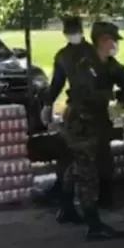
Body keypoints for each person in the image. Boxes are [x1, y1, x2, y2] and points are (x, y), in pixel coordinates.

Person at [57, 22, 124, 240]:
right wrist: (114, 95)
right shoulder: (86, 63)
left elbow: (123, 75)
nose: (115, 45)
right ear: (102, 40)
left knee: (78, 166)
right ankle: (93, 224)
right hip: (81, 122)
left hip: (94, 122)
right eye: (112, 40)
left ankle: (66, 209)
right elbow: (86, 93)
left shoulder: (105, 62)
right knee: (87, 173)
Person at [38, 16, 92, 214]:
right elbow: (57, 84)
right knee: (78, 157)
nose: (72, 34)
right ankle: (72, 201)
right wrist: (48, 104)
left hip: (84, 110)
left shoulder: (83, 53)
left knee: (77, 156)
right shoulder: (70, 55)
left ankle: (66, 200)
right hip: (81, 111)